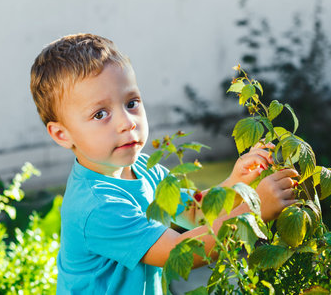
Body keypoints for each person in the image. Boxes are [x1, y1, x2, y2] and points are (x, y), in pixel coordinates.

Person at [30, 33, 298, 294]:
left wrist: (236, 183)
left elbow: (193, 213)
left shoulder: (144, 169)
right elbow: (177, 252)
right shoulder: (97, 206)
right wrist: (254, 211)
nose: (127, 122)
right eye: (100, 114)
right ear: (62, 134)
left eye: (131, 102)